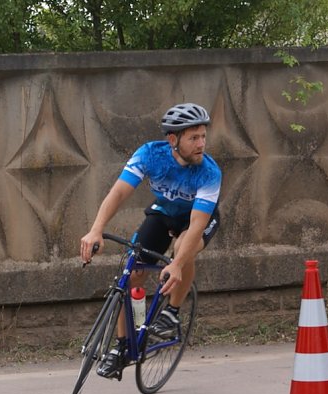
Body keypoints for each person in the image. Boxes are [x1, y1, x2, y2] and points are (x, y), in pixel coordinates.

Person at [79, 102, 222, 379]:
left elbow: (196, 226)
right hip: (164, 213)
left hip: (196, 219)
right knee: (131, 273)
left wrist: (177, 264)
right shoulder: (150, 154)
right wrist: (96, 229)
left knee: (183, 247)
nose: (201, 144)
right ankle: (121, 348)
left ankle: (172, 312)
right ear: (173, 139)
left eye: (203, 136)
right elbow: (119, 192)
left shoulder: (209, 172)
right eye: (194, 137)